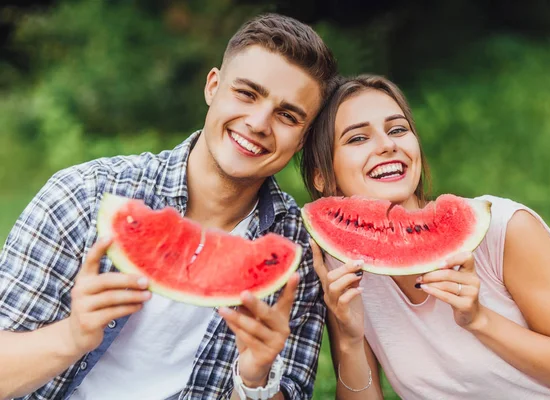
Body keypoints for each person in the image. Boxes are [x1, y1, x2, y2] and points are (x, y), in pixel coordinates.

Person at [0, 13, 338, 400]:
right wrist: (72, 337)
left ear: (302, 139)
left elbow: (287, 389)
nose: (259, 122)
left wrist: (256, 380)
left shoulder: (297, 254)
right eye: (247, 93)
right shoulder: (84, 195)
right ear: (213, 86)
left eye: (287, 115)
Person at [301, 74, 550, 400]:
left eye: (398, 129)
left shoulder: (505, 229)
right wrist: (348, 338)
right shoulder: (338, 266)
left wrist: (479, 319)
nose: (388, 145)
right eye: (358, 138)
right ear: (321, 176)